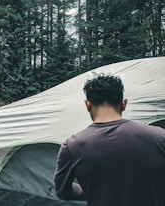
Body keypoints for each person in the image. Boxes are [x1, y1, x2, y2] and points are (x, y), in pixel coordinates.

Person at [54, 74, 165, 206]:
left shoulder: (72, 146)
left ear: (87, 105)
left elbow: (62, 191)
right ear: (124, 104)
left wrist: (94, 190)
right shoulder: (160, 137)